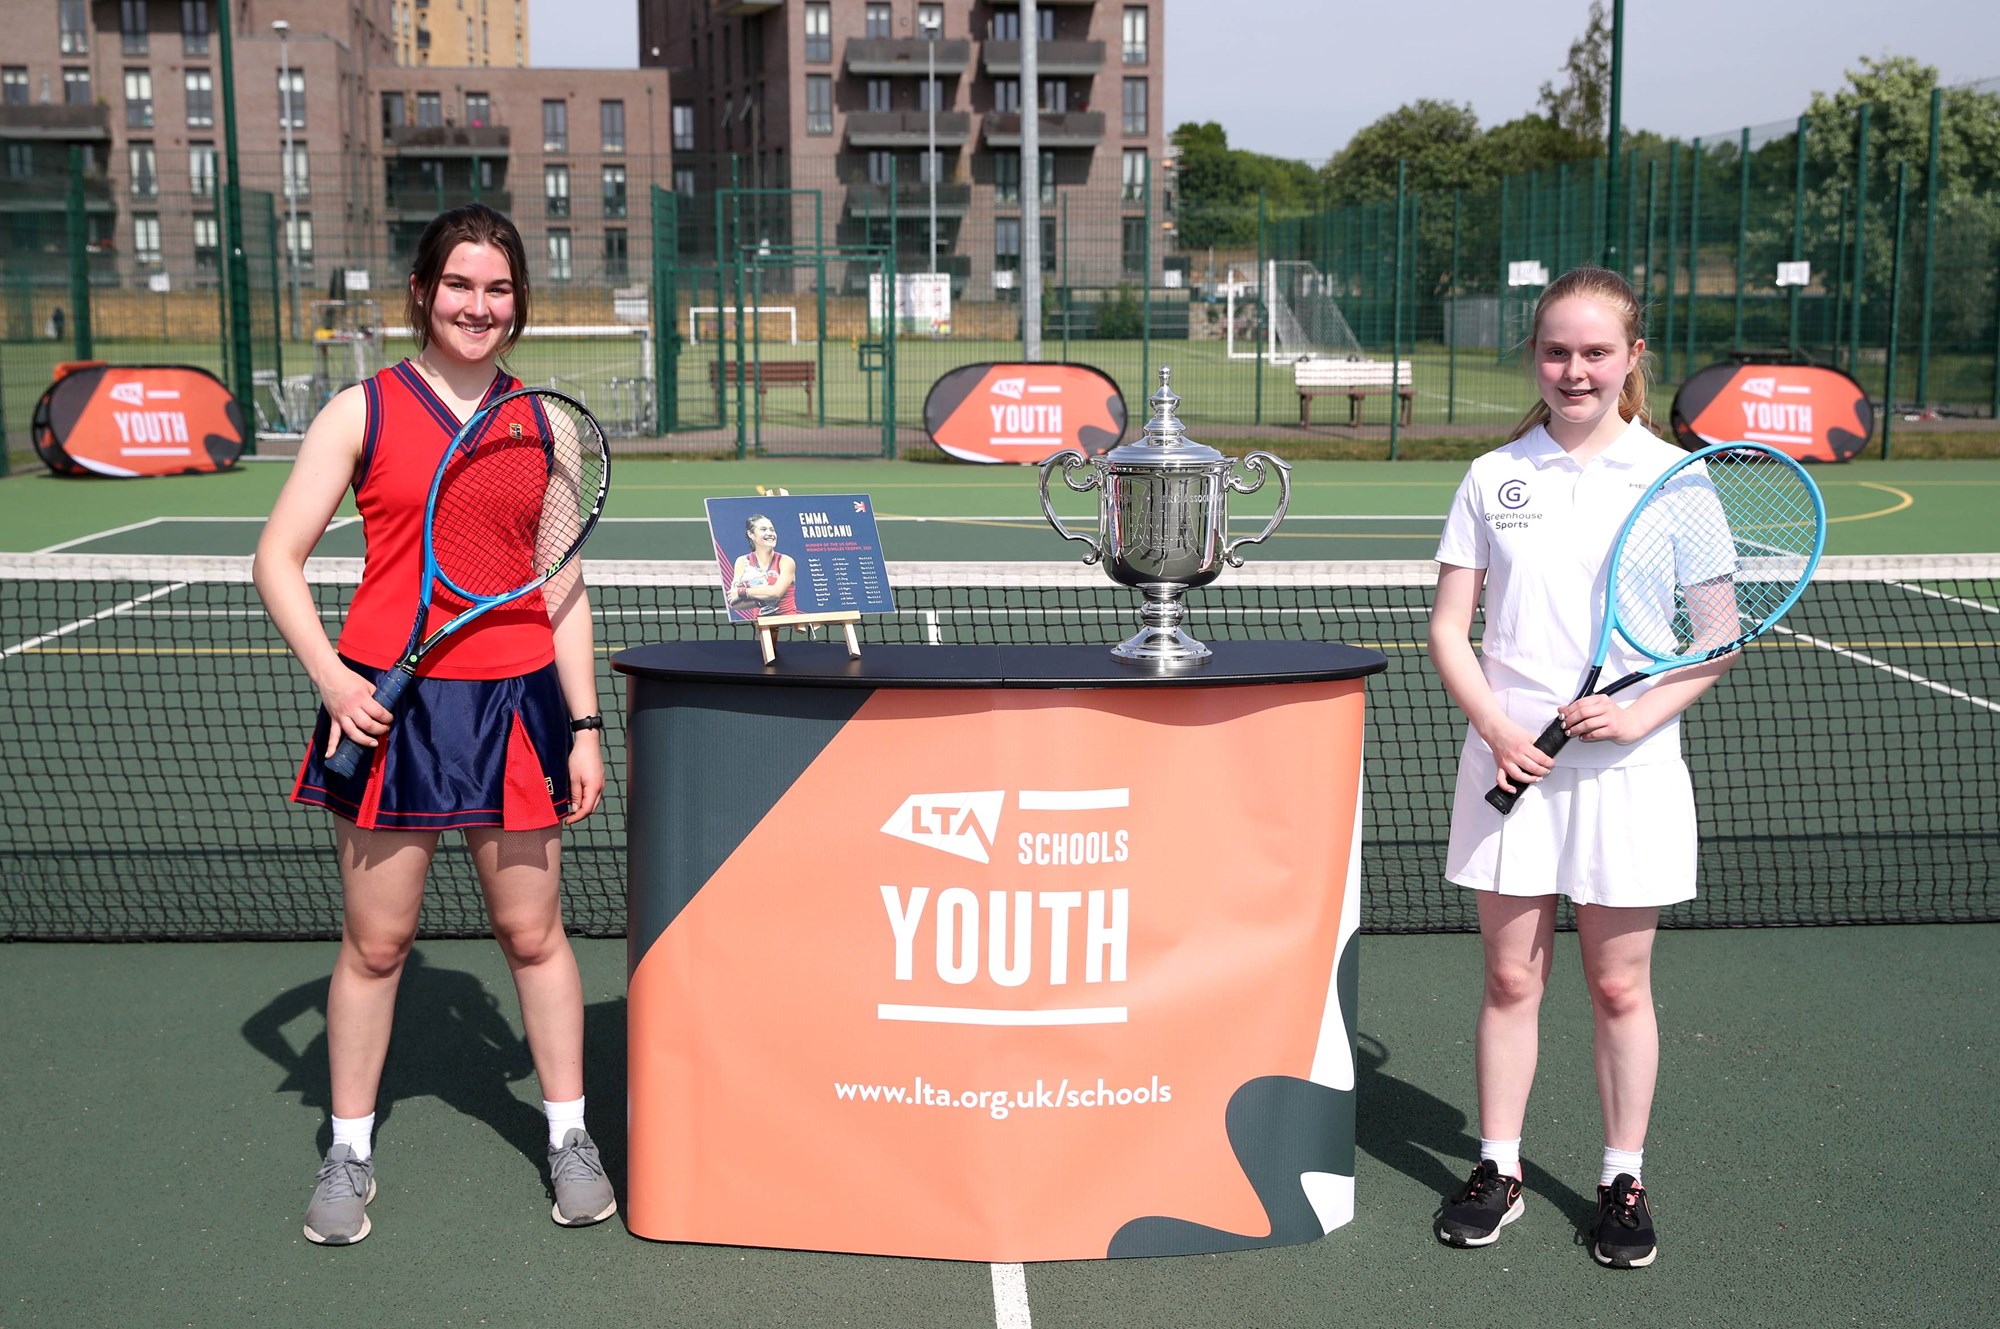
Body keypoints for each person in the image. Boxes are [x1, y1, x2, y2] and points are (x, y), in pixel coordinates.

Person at [253, 203, 614, 1245]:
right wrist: (332, 682)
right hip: (383, 709)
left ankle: (568, 1137)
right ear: (422, 291)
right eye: (459, 285)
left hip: (516, 704)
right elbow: (277, 558)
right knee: (377, 945)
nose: (478, 306)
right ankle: (349, 1151)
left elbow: (562, 584)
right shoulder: (359, 411)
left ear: (518, 304)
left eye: (498, 290)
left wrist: (583, 724)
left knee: (532, 935)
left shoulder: (544, 422)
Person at [1425, 266, 1737, 1270]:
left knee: (1615, 986)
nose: (1574, 369)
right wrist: (1496, 728)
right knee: (1510, 975)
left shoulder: (1676, 480)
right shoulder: (1490, 477)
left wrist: (1638, 714)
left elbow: (1717, 641)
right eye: (1556, 350)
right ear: (1534, 356)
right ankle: (1498, 1166)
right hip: (1510, 751)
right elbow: (1447, 628)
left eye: (1595, 352)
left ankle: (1618, 1176)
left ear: (1631, 360)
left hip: (1627, 770)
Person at [726, 512, 797, 620]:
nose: (770, 533)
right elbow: (734, 602)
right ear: (751, 534)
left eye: (772, 530)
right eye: (763, 529)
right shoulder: (742, 562)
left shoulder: (786, 561)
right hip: (762, 627)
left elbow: (776, 593)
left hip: (788, 624)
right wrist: (761, 602)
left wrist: (743, 592)